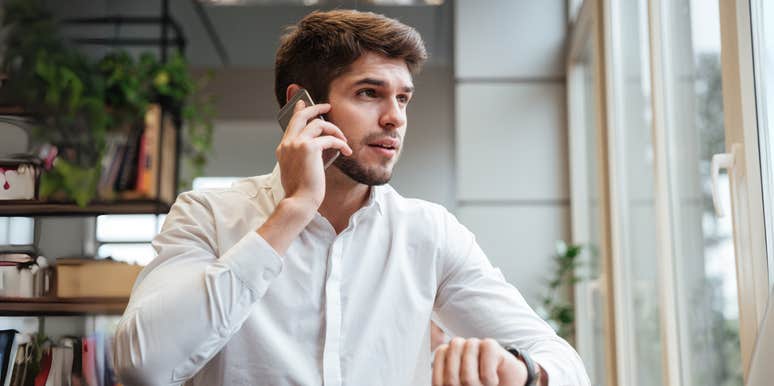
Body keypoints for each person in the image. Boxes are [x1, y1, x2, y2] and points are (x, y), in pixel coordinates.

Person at [112, 9, 590, 386]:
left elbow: (564, 364)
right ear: (302, 104)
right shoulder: (207, 216)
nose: (395, 118)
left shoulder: (428, 232)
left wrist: (524, 371)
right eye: (369, 93)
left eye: (403, 98)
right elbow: (143, 366)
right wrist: (293, 210)